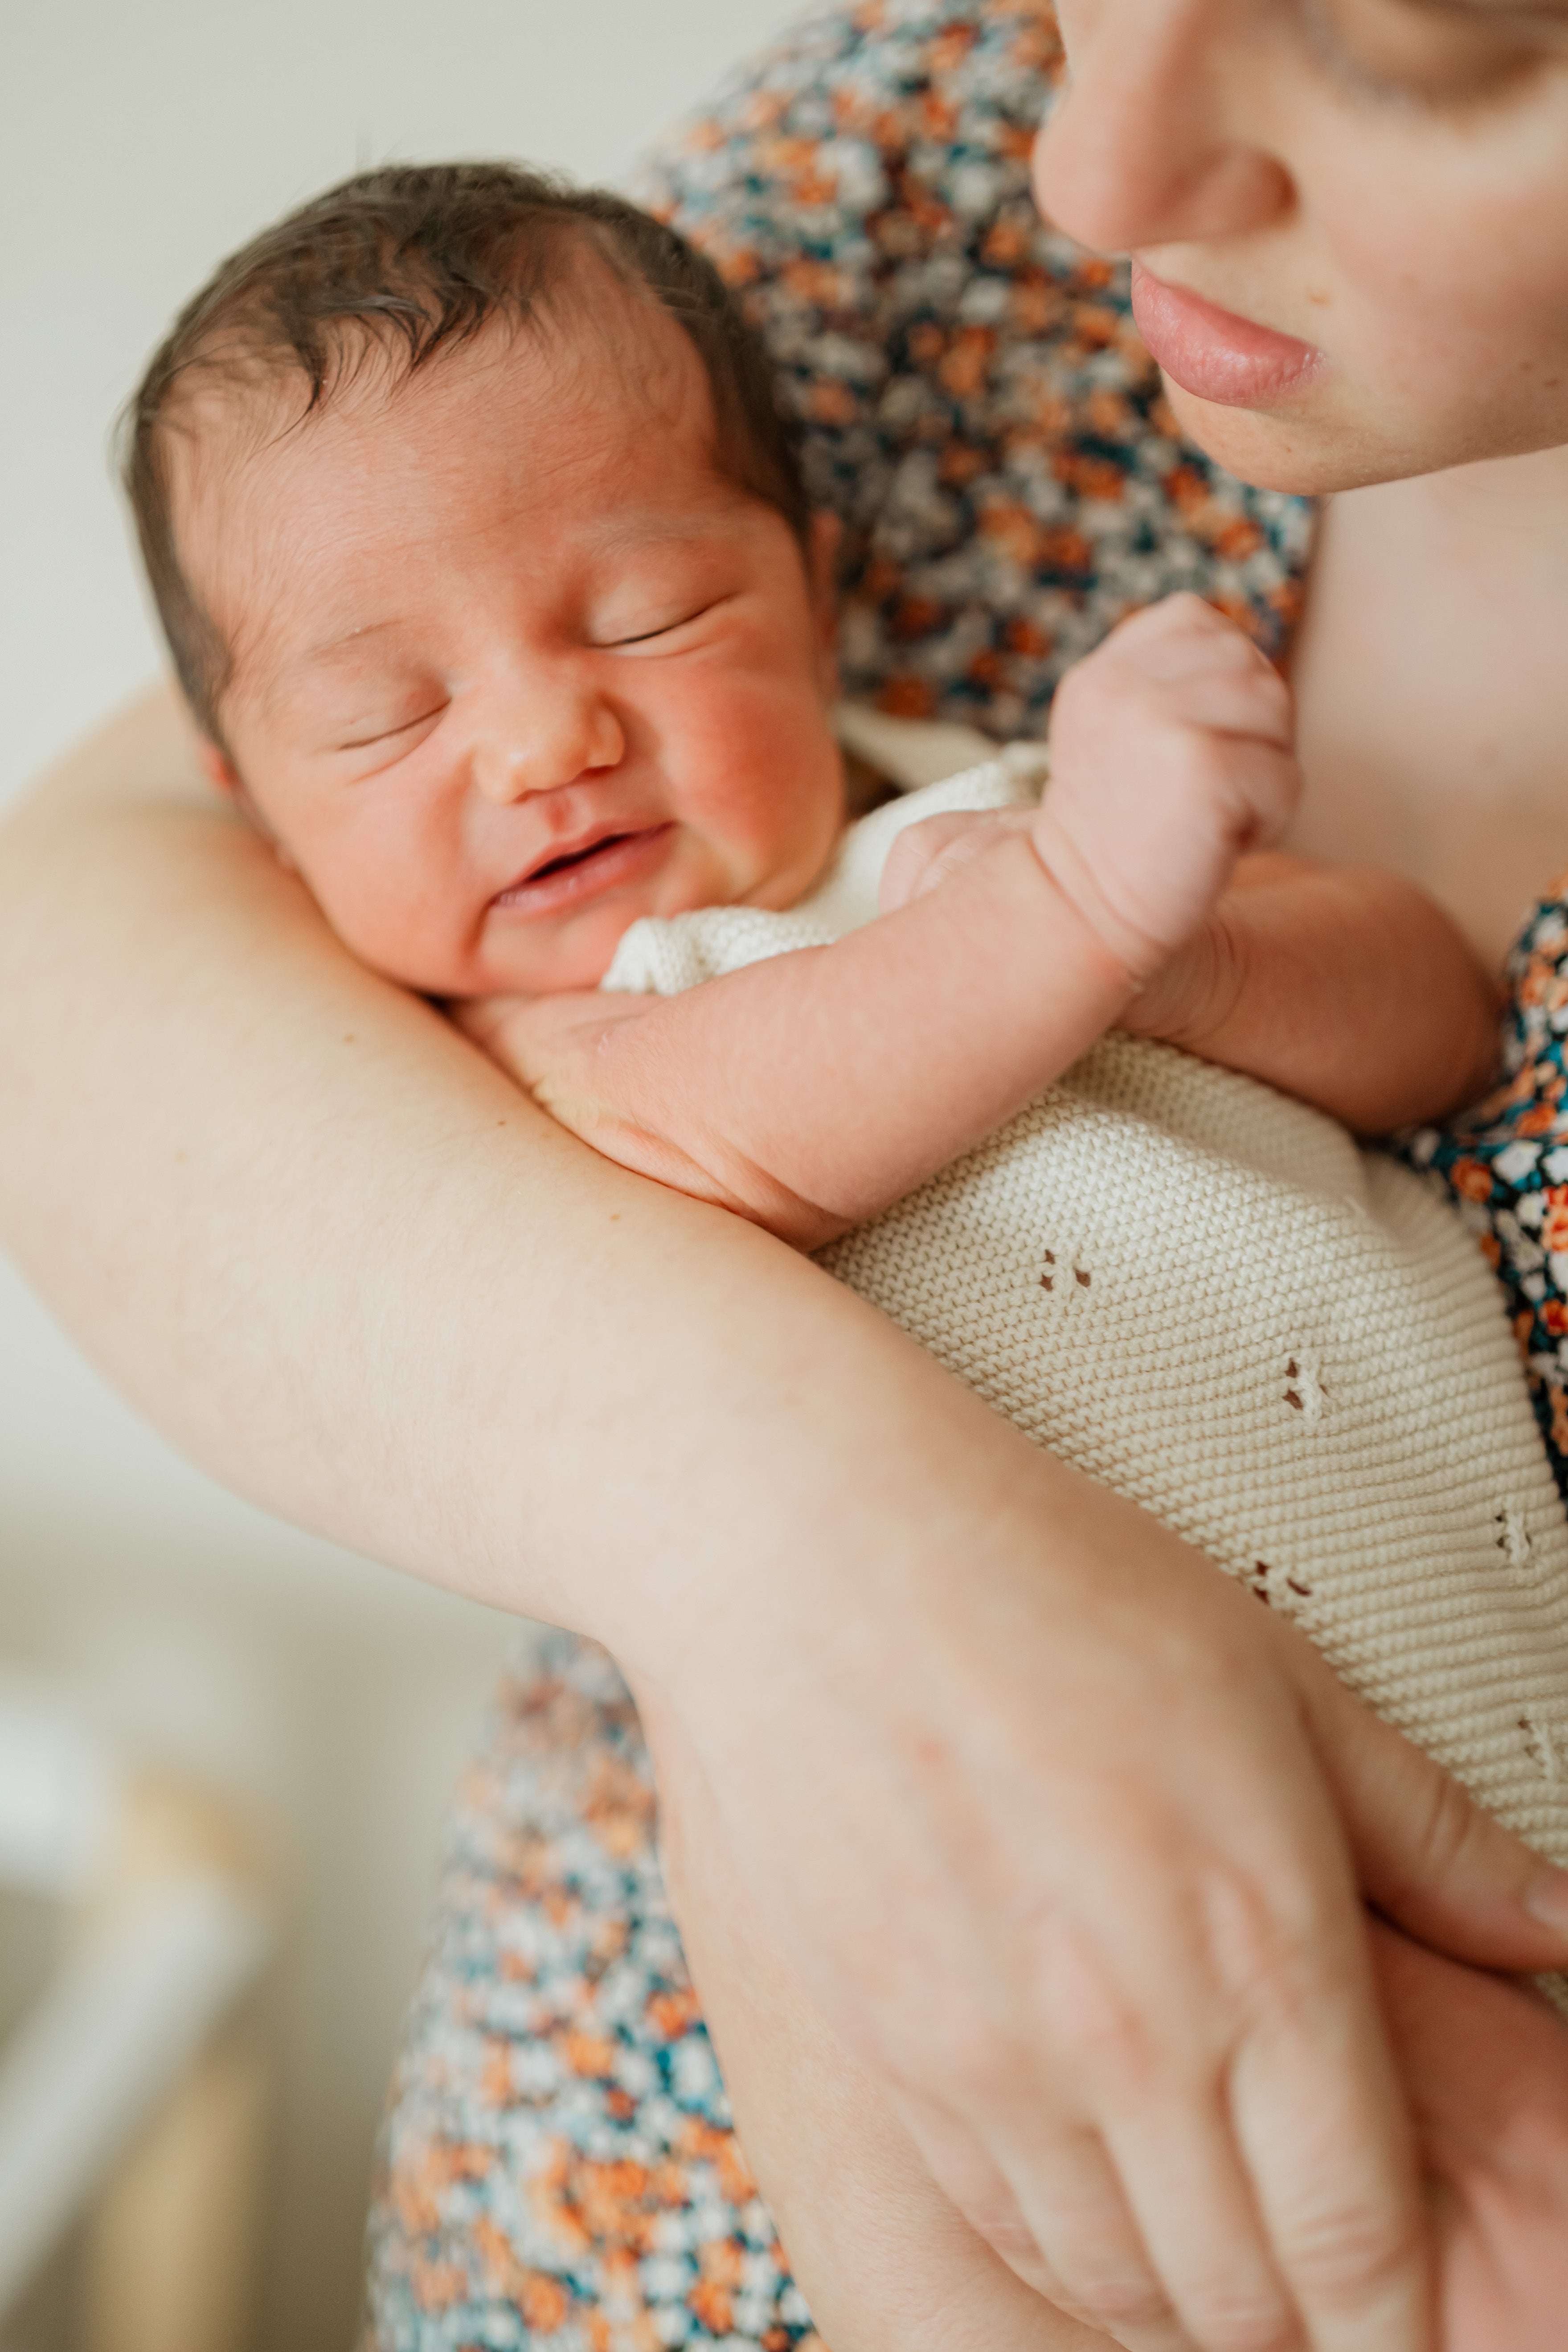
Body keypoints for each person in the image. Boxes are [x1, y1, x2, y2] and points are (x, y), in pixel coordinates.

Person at [7, 2, 1568, 2347]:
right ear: (247, 794)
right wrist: (1075, 915)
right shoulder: (583, 1034)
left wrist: (1165, 942)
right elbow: (764, 1114)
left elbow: (1435, 1014)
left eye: (650, 617)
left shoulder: (956, 792)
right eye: (386, 720)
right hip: (993, 2017)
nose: (548, 738)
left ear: (825, 581)